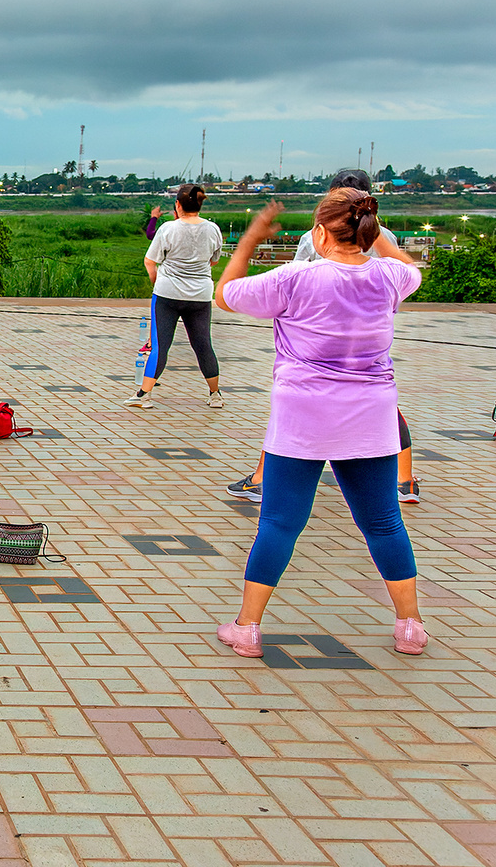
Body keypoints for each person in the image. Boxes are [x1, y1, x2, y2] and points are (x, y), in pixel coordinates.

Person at [214, 189, 428, 658]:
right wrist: (378, 239)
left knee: (279, 522)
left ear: (318, 233)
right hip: (370, 418)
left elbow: (225, 295)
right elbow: (409, 267)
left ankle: (247, 628)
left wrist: (249, 239)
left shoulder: (295, 278)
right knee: (384, 523)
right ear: (370, 231)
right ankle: (410, 627)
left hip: (302, 418)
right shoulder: (390, 277)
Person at [225, 169, 420, 504]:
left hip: (311, 370)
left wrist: (249, 240)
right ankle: (404, 480)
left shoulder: (310, 245)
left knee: (281, 511)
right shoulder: (384, 243)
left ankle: (261, 479)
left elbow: (232, 293)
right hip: (367, 364)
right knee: (382, 519)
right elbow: (407, 276)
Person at [124, 183, 223, 410]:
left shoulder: (168, 229)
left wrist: (156, 281)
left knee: (160, 346)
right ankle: (215, 394)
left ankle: (143, 395)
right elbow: (214, 260)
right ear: (199, 204)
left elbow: (150, 261)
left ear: (177, 205)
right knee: (203, 344)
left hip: (168, 294)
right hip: (200, 295)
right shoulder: (213, 229)